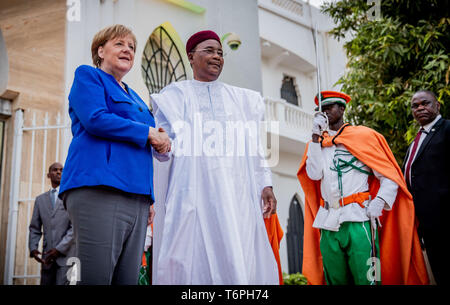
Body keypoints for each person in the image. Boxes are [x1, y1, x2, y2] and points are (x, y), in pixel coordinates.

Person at [150, 30, 280, 284]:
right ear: (191, 57)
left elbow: (252, 144)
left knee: (237, 250)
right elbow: (165, 149)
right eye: (209, 51)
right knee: (190, 254)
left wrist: (265, 182)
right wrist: (163, 147)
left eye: (220, 53)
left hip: (236, 192)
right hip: (191, 191)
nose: (217, 57)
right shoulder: (174, 95)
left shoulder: (242, 99)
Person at [59, 24, 170, 285]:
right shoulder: (88, 76)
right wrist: (148, 133)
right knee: (95, 277)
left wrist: (150, 197)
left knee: (127, 280)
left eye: (131, 47)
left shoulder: (137, 99)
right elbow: (95, 119)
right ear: (100, 50)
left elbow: (143, 145)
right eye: (119, 44)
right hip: (100, 187)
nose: (127, 50)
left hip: (138, 198)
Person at [297, 91, 429, 285]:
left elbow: (389, 177)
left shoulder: (364, 136)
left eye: (329, 107)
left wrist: (379, 202)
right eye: (320, 109)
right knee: (335, 279)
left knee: (367, 278)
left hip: (359, 219)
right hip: (328, 221)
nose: (324, 112)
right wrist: (316, 138)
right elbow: (314, 175)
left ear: (342, 109)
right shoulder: (316, 144)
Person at [403, 90, 449, 285]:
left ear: (437, 105)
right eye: (415, 105)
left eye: (425, 103)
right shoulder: (416, 140)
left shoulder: (447, 128)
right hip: (427, 225)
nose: (420, 107)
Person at [29, 162, 75, 285]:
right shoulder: (40, 200)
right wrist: (33, 248)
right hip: (47, 258)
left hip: (67, 257)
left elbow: (74, 228)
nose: (58, 172)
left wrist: (59, 249)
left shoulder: (71, 197)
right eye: (55, 170)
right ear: (49, 175)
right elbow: (35, 227)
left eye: (61, 170)